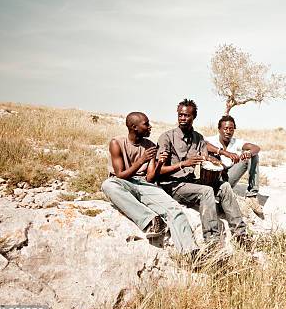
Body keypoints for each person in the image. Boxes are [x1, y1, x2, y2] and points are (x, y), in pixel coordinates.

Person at [100, 111, 198, 256]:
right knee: (108, 185)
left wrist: (159, 163)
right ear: (134, 127)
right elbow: (120, 174)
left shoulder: (150, 145)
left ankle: (191, 253)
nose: (150, 127)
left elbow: (150, 178)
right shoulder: (117, 143)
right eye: (146, 124)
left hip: (143, 184)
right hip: (122, 182)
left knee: (175, 210)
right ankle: (151, 220)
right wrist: (141, 160)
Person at [156, 99, 248, 247]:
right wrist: (183, 164)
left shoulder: (198, 138)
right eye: (180, 115)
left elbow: (205, 158)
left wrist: (215, 162)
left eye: (187, 115)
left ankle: (240, 234)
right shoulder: (167, 137)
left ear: (194, 117)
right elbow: (158, 172)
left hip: (191, 182)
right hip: (173, 185)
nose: (183, 118)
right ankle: (212, 240)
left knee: (224, 186)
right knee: (206, 191)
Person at [205, 115, 262, 200]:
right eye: (225, 128)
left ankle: (252, 195)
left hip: (228, 178)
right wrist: (224, 153)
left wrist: (249, 154)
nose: (228, 132)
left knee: (253, 155)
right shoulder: (211, 140)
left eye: (231, 129)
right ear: (219, 129)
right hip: (212, 179)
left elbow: (256, 148)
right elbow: (203, 144)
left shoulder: (236, 142)